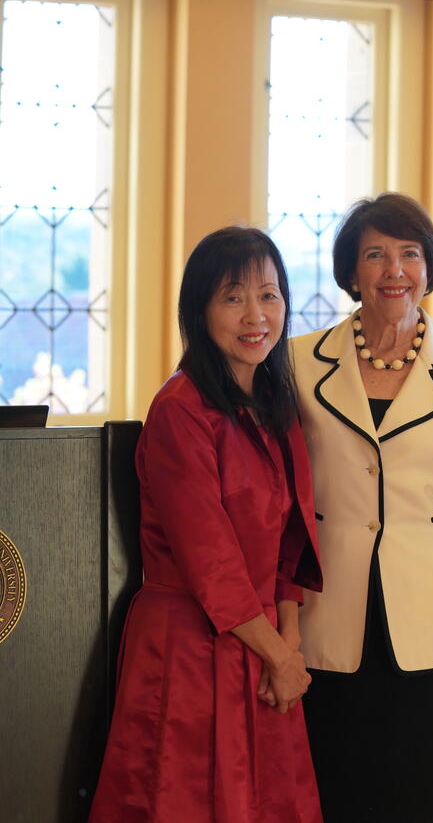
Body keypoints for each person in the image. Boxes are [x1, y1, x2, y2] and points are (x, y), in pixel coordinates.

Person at [290, 193, 433, 822]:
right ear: (351, 272)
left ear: (428, 266)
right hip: (327, 615)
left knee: (425, 799)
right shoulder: (299, 363)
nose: (395, 269)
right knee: (332, 798)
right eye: (376, 255)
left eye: (409, 253)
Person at [90, 228, 323, 822]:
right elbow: (209, 559)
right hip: (188, 646)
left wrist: (288, 642)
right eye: (233, 297)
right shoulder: (179, 410)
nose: (256, 315)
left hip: (266, 646)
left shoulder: (275, 406)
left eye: (269, 296)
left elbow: (289, 538)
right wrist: (279, 656)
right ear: (198, 310)